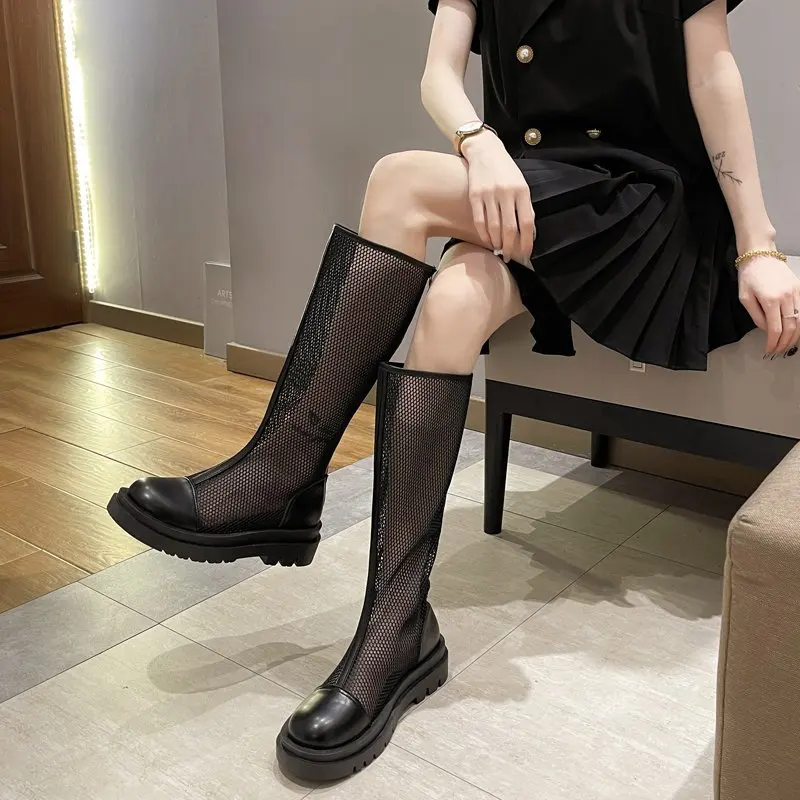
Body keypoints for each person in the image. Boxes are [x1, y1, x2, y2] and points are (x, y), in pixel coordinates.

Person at [107, 0, 798, 782]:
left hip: (640, 205)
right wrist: (479, 140)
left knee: (399, 181)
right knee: (450, 304)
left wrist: (758, 246)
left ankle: (282, 473)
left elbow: (713, 72)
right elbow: (438, 73)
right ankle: (397, 628)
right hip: (525, 195)